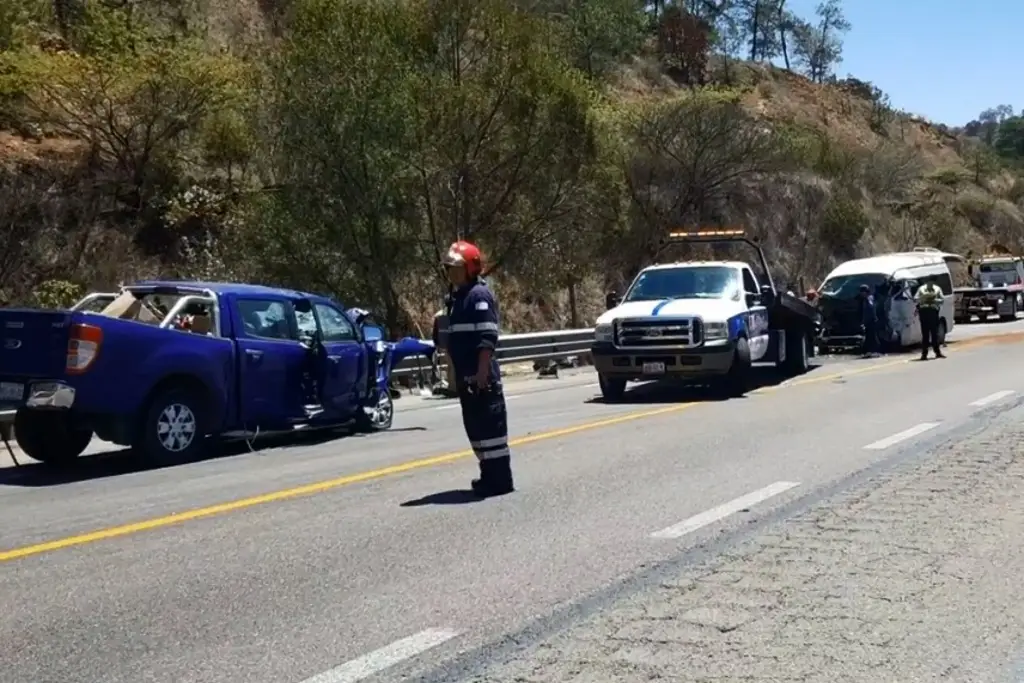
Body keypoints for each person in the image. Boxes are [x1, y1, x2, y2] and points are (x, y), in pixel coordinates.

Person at [443, 240, 514, 497]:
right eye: (449, 268)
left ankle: (500, 480)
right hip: (466, 377)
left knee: (491, 432)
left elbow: (486, 338)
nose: (452, 272)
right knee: (477, 432)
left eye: (457, 267)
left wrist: (482, 371)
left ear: (471, 268)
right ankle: (488, 477)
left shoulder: (479, 296)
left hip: (481, 378)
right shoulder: (457, 298)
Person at [914, 279, 946, 360]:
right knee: (925, 334)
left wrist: (934, 300)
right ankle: (924, 354)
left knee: (934, 333)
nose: (930, 284)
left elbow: (942, 300)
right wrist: (923, 299)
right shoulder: (921, 289)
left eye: (932, 282)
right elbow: (915, 298)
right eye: (928, 282)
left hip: (933, 312)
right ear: (926, 282)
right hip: (924, 312)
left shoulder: (937, 289)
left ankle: (937, 352)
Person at [857, 284, 878, 358]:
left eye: (862, 292)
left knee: (870, 337)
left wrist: (865, 321)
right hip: (868, 321)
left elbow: (871, 309)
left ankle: (871, 351)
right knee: (870, 337)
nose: (861, 293)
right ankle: (870, 351)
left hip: (870, 321)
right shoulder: (866, 299)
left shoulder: (868, 299)